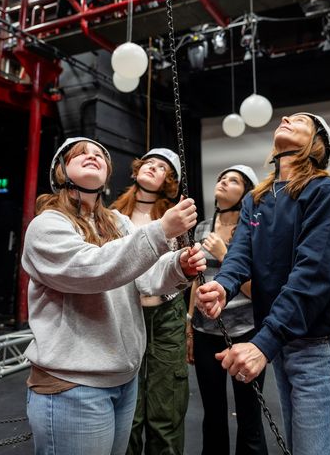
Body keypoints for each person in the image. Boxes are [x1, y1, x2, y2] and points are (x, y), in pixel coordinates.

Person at [22, 137, 204, 455]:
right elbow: (94, 269)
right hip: (73, 385)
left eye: (100, 155)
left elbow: (145, 276)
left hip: (122, 379)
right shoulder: (47, 226)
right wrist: (162, 232)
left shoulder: (118, 222)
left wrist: (179, 267)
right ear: (60, 172)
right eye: (81, 154)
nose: (93, 156)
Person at [196, 113, 330, 455]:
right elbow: (241, 252)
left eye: (299, 120)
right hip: (283, 342)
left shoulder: (323, 192)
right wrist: (223, 286)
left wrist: (264, 342)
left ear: (317, 144)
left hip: (316, 343)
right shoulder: (258, 198)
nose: (285, 118)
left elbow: (313, 275)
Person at [112, 148, 189, 455]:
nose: (154, 169)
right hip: (127, 313)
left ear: (169, 181)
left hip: (166, 313)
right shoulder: (113, 215)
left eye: (162, 168)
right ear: (137, 170)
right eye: (150, 164)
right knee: (128, 407)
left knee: (165, 405)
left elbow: (184, 269)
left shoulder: (175, 218)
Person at [186, 165, 268, 455]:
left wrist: (224, 254)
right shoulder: (203, 228)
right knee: (214, 415)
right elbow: (198, 280)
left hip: (246, 333)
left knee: (249, 417)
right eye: (222, 177)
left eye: (233, 180)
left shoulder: (254, 231)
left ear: (246, 193)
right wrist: (189, 326)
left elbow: (257, 292)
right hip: (205, 331)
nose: (223, 181)